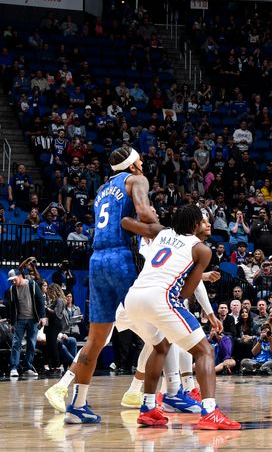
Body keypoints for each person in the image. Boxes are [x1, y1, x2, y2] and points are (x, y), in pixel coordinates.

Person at [46, 146, 158, 423]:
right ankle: (149, 404)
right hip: (120, 256)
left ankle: (77, 405)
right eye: (140, 161)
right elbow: (144, 214)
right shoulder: (137, 180)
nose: (143, 165)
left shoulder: (103, 189)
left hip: (96, 260)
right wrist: (159, 225)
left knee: (95, 340)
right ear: (132, 166)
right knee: (160, 336)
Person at [122, 204, 240, 429]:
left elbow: (126, 223)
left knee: (160, 347)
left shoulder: (162, 232)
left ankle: (147, 408)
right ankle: (209, 412)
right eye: (203, 221)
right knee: (205, 350)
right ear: (195, 224)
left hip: (133, 298)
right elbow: (186, 292)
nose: (207, 225)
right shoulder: (202, 250)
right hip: (161, 298)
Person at [3, 269, 47, 378]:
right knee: (16, 343)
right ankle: (14, 368)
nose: (13, 282)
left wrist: (42, 317)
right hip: (20, 320)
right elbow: (12, 307)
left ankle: (28, 368)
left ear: (20, 276)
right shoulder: (12, 289)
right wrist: (12, 322)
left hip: (33, 319)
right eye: (11, 280)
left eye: (14, 279)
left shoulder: (32, 285)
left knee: (31, 344)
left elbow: (40, 300)